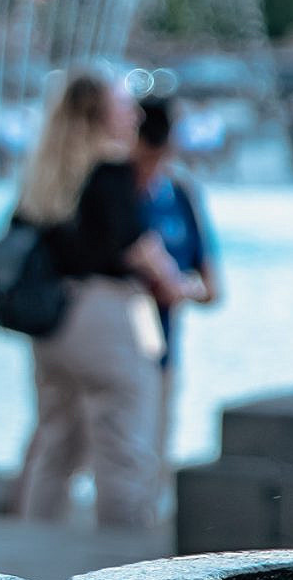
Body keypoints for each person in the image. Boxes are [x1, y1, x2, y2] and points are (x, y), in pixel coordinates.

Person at [11, 71, 195, 527]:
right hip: (110, 314)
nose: (133, 114)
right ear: (100, 114)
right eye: (122, 105)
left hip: (55, 322)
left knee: (55, 445)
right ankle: (125, 567)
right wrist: (175, 283)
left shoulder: (45, 173)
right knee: (125, 447)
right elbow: (133, 244)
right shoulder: (111, 169)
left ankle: (31, 551)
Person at [133, 97, 220, 504]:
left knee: (154, 438)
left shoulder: (181, 194)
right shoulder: (115, 188)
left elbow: (212, 288)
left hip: (158, 336)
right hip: (117, 331)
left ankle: (144, 519)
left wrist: (175, 286)